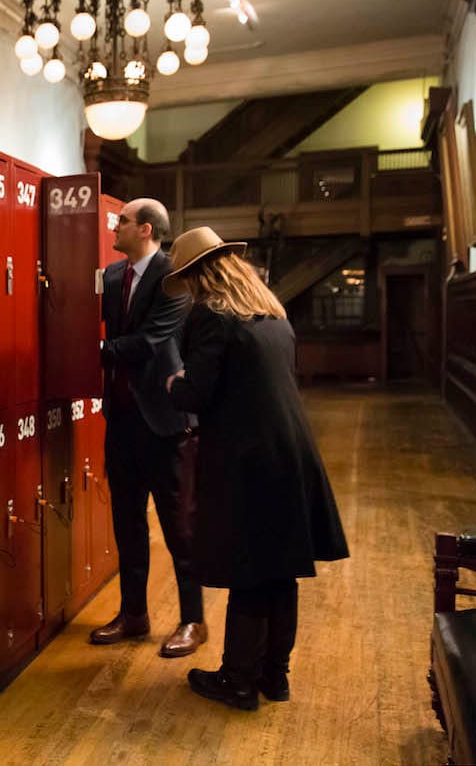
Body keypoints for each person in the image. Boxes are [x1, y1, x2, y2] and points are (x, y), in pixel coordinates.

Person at [163, 226, 349, 711]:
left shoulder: (213, 316)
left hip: (248, 460)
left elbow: (198, 392)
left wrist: (174, 383)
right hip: (292, 454)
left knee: (249, 569)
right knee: (279, 569)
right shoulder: (273, 315)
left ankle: (238, 680)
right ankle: (274, 675)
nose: (188, 290)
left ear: (200, 274)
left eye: (187, 279)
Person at [90, 197, 206, 659]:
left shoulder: (172, 278)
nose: (112, 227)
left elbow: (150, 341)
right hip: (120, 420)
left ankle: (193, 620)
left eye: (121, 221)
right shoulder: (114, 276)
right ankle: (134, 614)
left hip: (164, 422)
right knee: (127, 523)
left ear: (145, 230)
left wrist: (93, 348)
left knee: (179, 528)